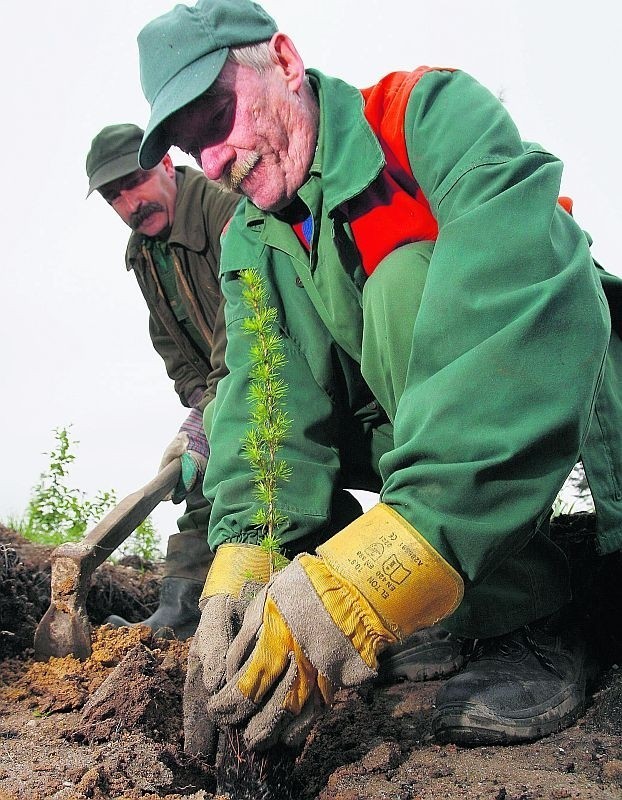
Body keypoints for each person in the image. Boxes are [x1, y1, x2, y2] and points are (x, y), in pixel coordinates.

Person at [136, 0, 622, 754]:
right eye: (192, 146)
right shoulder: (252, 237)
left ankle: (533, 612)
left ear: (286, 63)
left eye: (218, 117)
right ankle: (450, 603)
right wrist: (242, 561)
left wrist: (376, 574)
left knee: (399, 285)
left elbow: (520, 295)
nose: (216, 160)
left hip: (557, 373)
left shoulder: (425, 117)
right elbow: (266, 399)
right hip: (431, 421)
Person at [85, 123, 240, 639]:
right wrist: (200, 403)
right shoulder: (143, 255)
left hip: (280, 364)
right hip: (223, 385)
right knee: (196, 478)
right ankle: (182, 606)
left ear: (167, 164)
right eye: (114, 195)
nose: (130, 202)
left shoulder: (225, 208)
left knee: (254, 475)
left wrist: (212, 409)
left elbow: (246, 313)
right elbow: (171, 343)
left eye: (136, 179)